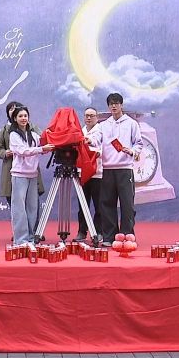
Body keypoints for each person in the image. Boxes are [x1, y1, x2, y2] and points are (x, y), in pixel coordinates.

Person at [97, 93, 142, 246]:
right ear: (108, 106)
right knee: (107, 203)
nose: (114, 106)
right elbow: (96, 139)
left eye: (116, 103)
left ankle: (127, 235)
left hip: (125, 169)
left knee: (127, 204)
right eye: (111, 104)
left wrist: (132, 151)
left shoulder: (132, 124)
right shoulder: (103, 125)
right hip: (108, 169)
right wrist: (89, 140)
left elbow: (139, 144)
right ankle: (110, 237)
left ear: (122, 105)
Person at [8, 106, 54, 245]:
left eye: (25, 116)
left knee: (32, 208)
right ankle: (20, 239)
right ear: (15, 119)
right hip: (19, 175)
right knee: (19, 208)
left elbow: (43, 145)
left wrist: (50, 143)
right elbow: (23, 151)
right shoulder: (13, 135)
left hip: (33, 175)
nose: (23, 118)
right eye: (20, 116)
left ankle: (31, 237)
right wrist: (41, 149)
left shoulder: (33, 135)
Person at [74, 107, 102, 242]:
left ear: (97, 117)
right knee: (83, 204)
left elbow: (95, 141)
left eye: (92, 115)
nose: (89, 118)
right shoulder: (81, 131)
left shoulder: (101, 130)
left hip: (98, 173)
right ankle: (82, 231)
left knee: (99, 205)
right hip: (83, 173)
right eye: (86, 115)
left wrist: (88, 141)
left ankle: (98, 232)